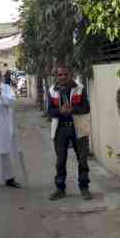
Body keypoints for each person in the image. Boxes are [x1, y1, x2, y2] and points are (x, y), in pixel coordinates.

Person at [48, 65, 91, 201]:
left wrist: (72, 109)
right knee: (60, 160)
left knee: (82, 160)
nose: (63, 77)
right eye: (60, 75)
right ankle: (60, 188)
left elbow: (86, 108)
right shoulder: (52, 91)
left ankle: (84, 188)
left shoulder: (80, 88)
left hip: (78, 128)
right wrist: (60, 111)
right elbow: (50, 111)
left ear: (70, 75)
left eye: (65, 74)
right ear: (56, 77)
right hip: (60, 129)